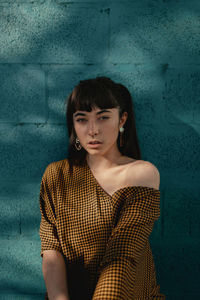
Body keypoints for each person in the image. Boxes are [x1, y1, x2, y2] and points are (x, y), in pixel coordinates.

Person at [39, 76, 165, 300]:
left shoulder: (141, 173)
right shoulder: (56, 175)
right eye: (82, 119)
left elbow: (122, 254)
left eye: (103, 117)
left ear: (122, 120)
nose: (93, 130)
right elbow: (51, 250)